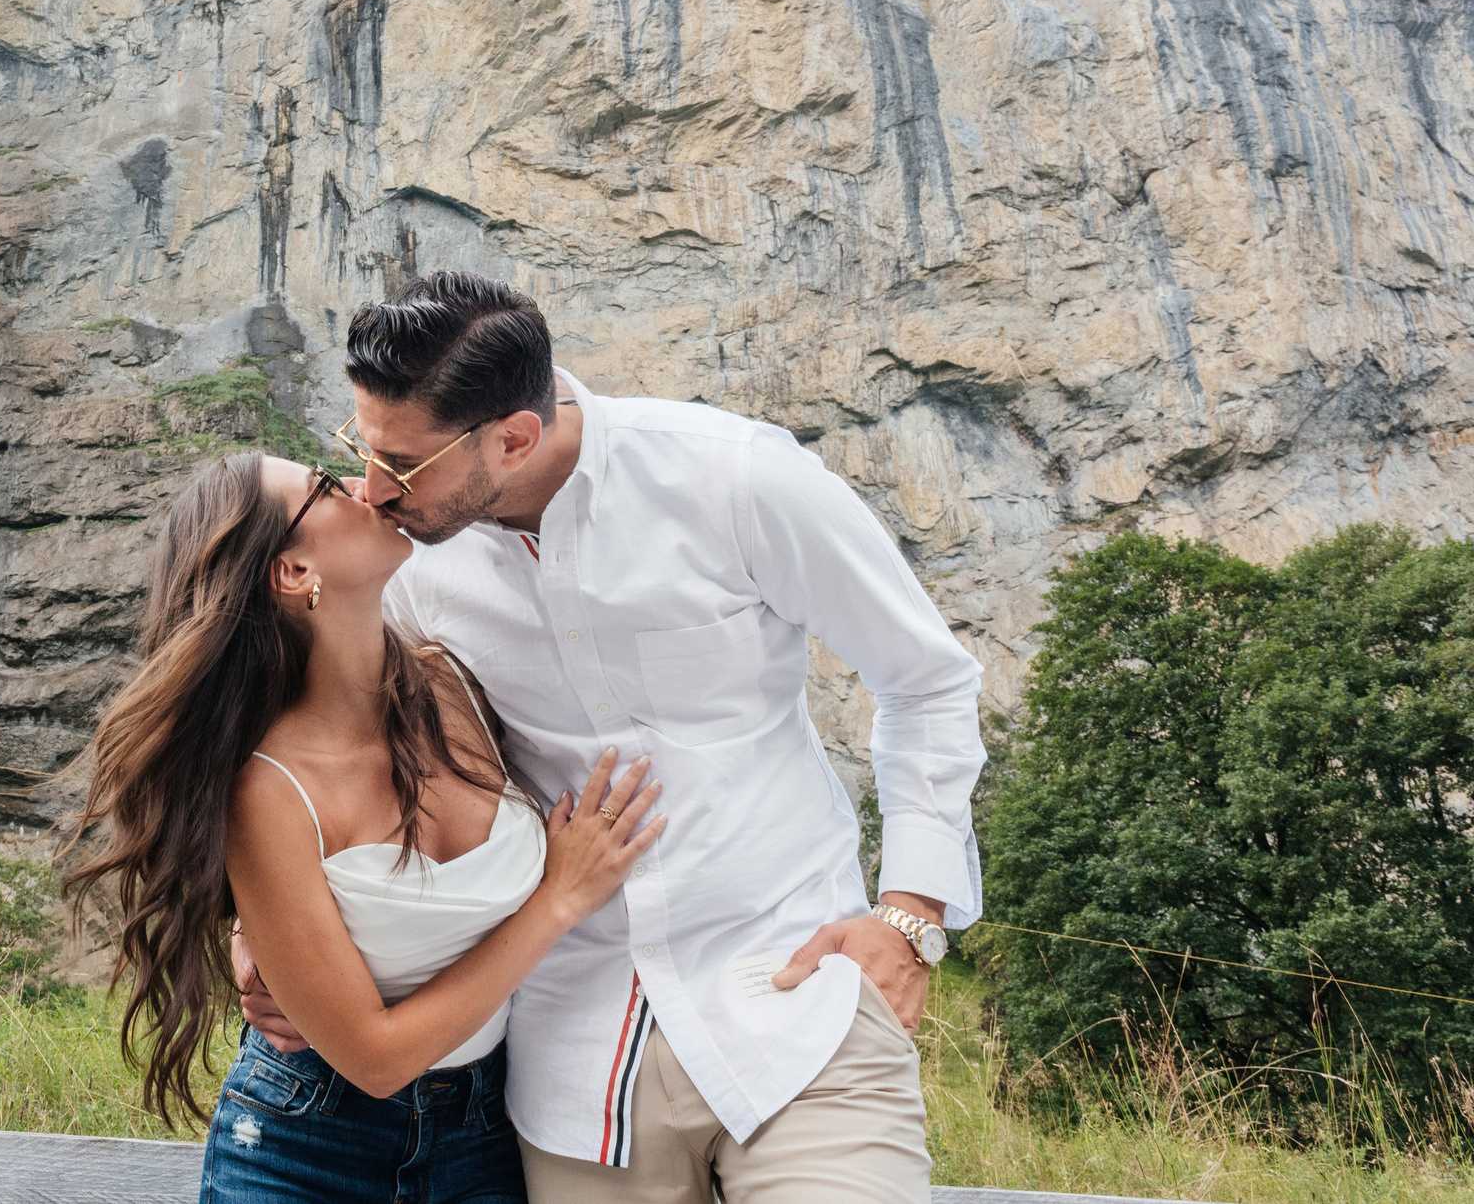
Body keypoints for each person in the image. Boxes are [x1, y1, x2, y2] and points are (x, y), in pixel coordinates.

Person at [236, 272, 985, 1203]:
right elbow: (313, 738)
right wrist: (264, 931)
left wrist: (912, 918)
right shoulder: (408, 563)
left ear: (513, 437)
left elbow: (926, 678)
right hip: (574, 1067)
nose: (375, 490)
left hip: (797, 1006)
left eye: (405, 463)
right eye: (365, 447)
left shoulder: (734, 477)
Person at [69, 448, 670, 1203]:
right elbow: (378, 1059)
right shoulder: (267, 789)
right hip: (305, 1146)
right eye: (325, 487)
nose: (364, 486)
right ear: (292, 573)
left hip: (487, 1132)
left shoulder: (452, 683)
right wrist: (557, 899)